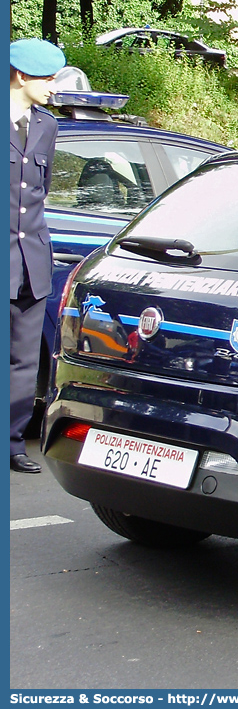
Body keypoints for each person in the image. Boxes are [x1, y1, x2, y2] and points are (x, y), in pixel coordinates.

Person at [11, 37, 66, 473]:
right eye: (48, 79)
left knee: (26, 359)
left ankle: (11, 444)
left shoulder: (47, 125)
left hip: (32, 260)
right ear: (20, 75)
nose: (54, 87)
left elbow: (38, 196)